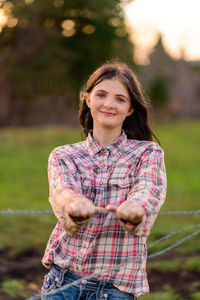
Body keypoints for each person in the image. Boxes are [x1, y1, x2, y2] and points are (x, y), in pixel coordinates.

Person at [41, 61, 167, 300]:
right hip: (62, 281)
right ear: (88, 100)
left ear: (130, 109)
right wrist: (74, 204)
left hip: (114, 288)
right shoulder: (64, 154)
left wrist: (135, 207)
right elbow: (61, 190)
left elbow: (149, 188)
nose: (109, 104)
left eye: (120, 99)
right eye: (101, 95)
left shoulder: (148, 153)